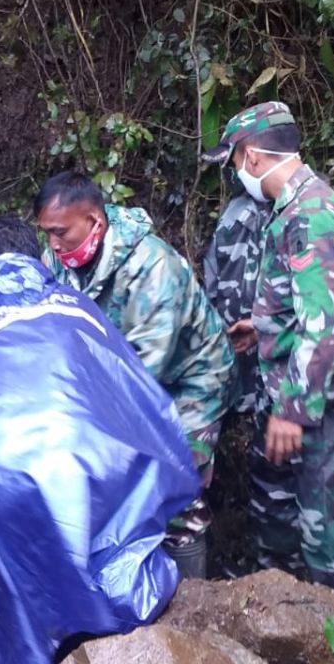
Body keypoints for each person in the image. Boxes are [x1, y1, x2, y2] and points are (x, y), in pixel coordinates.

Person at [0, 216, 199, 664]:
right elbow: (139, 396)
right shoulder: (80, 308)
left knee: (15, 599)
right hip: (93, 467)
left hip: (5, 486)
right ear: (39, 259)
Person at [202, 101, 334, 594]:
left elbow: (321, 326)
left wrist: (292, 410)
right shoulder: (294, 207)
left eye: (234, 162)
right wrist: (261, 327)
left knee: (327, 531)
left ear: (252, 157)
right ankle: (279, 608)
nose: (236, 173)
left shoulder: (309, 216)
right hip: (303, 389)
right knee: (278, 511)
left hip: (332, 397)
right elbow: (303, 303)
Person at [35, 173, 234, 578]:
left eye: (61, 233)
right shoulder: (56, 258)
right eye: (47, 234)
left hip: (188, 380)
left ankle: (191, 602)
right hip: (106, 377)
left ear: (95, 221)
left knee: (175, 481)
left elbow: (145, 371)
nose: (54, 244)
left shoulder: (153, 269)